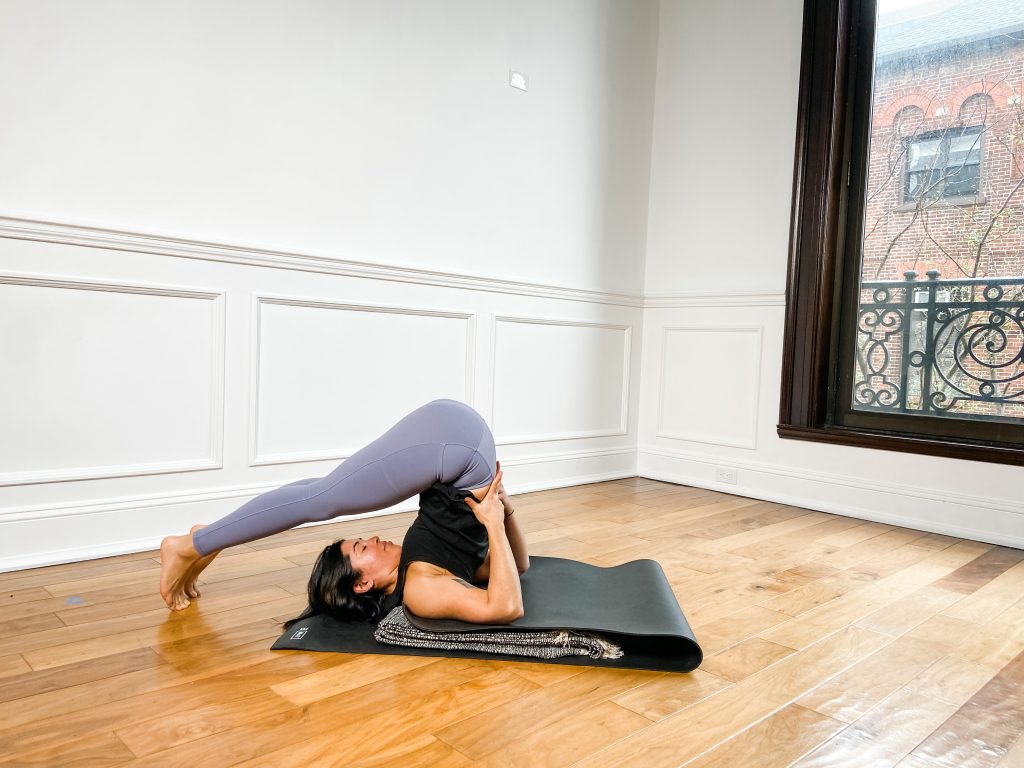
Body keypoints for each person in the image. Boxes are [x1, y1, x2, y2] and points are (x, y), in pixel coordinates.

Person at [158, 399, 529, 627]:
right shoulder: (420, 590)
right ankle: (193, 543)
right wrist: (501, 517)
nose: (372, 539)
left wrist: (498, 517)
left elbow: (509, 575)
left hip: (457, 446)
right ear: (363, 583)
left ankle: (212, 537)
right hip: (456, 445)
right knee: (320, 495)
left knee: (320, 492)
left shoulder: (422, 575)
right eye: (360, 549)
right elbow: (510, 596)